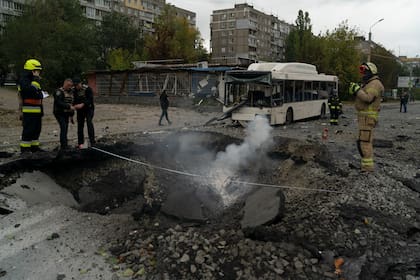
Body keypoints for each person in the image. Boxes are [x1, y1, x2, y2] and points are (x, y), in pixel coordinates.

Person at [349, 62, 384, 172]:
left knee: (365, 142)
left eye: (364, 71)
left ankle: (367, 168)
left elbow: (368, 98)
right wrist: (357, 91)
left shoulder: (374, 84)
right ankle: (365, 166)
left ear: (371, 72)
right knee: (362, 142)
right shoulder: (370, 83)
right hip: (364, 118)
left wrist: (357, 90)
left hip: (367, 118)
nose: (363, 74)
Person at [18, 59, 45, 153]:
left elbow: (40, 94)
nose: (39, 73)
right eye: (37, 70)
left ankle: (34, 147)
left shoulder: (33, 80)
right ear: (32, 70)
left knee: (37, 130)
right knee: (28, 130)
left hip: (37, 109)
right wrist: (36, 82)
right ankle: (25, 149)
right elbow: (30, 92)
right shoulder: (24, 80)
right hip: (29, 110)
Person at [53, 78, 79, 150]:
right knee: (63, 127)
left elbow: (71, 103)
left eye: (71, 86)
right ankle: (64, 146)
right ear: (64, 84)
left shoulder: (71, 92)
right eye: (68, 85)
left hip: (67, 113)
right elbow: (59, 102)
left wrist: (71, 115)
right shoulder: (58, 92)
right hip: (59, 112)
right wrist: (69, 106)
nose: (70, 87)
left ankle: (65, 144)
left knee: (65, 128)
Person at [72, 77, 95, 148]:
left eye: (77, 85)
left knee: (89, 123)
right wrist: (74, 107)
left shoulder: (87, 89)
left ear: (81, 83)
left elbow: (90, 100)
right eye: (75, 85)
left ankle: (92, 142)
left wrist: (83, 104)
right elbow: (73, 100)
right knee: (80, 126)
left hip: (89, 109)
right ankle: (80, 143)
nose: (77, 86)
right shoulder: (74, 90)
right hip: (80, 110)